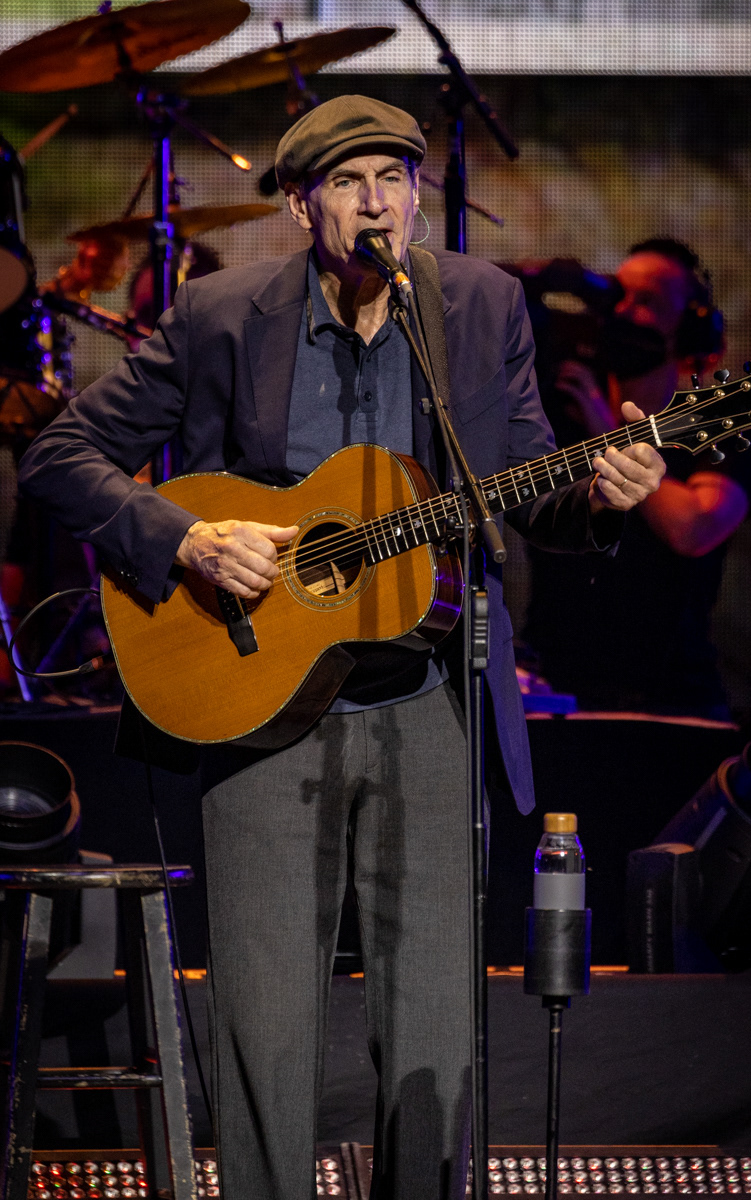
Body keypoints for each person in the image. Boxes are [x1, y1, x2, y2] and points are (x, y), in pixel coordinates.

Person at [18, 96, 665, 1199]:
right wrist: (186, 539)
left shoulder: (477, 304)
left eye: (395, 179)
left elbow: (521, 486)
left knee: (433, 1032)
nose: (378, 203)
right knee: (264, 1031)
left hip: (430, 699)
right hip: (259, 700)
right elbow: (60, 454)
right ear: (301, 203)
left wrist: (603, 496)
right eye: (351, 182)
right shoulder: (222, 315)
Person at [522, 238, 751, 719]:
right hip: (556, 693)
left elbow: (693, 528)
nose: (624, 312)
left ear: (689, 332)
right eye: (618, 294)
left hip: (672, 703)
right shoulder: (558, 408)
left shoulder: (723, 424)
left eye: (647, 301)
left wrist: (606, 435)